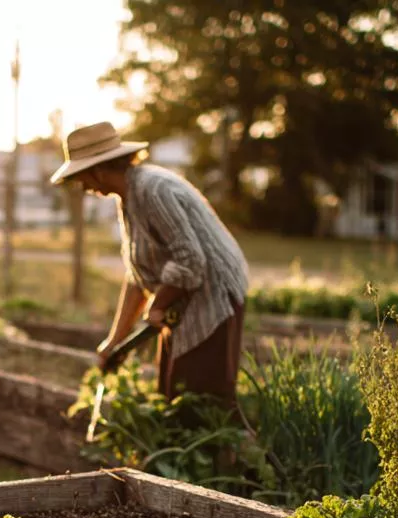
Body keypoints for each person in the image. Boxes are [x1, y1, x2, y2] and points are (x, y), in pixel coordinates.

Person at [50, 121, 250, 409]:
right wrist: (114, 342)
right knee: (170, 390)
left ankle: (224, 452)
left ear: (101, 170)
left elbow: (190, 259)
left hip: (214, 296)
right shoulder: (128, 197)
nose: (83, 187)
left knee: (197, 398)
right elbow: (137, 279)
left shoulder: (153, 190)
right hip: (182, 297)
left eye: (82, 177)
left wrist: (158, 304)